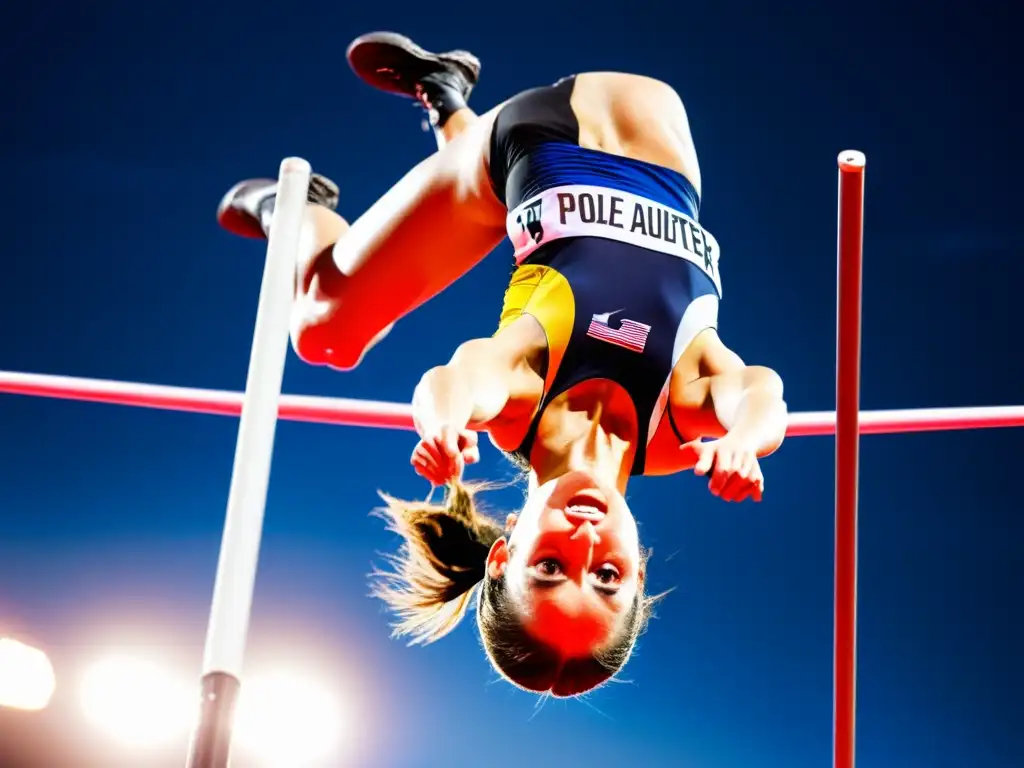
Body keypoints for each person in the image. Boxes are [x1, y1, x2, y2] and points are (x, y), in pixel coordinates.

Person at [216, 32, 788, 697]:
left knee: (323, 335)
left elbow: (458, 378)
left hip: (539, 138)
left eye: (549, 566)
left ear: (504, 550)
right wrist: (746, 440)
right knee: (335, 327)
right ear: (639, 568)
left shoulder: (520, 404)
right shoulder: (679, 427)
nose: (584, 541)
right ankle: (445, 96)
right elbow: (758, 390)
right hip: (661, 143)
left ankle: (300, 206)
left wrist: (445, 425)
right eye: (606, 576)